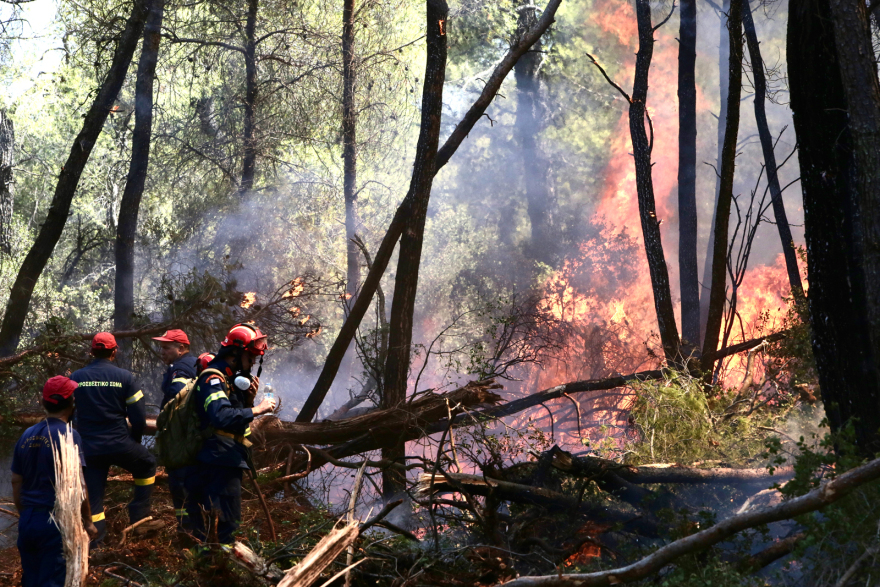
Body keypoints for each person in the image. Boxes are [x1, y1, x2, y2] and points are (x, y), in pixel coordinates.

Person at [186, 323, 276, 544]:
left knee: (225, 519)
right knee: (226, 522)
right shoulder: (213, 378)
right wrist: (258, 409)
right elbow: (221, 416)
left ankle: (214, 557)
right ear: (235, 353)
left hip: (227, 458)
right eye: (250, 357)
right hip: (218, 459)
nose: (252, 362)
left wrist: (248, 402)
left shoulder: (228, 379)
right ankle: (220, 560)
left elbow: (233, 420)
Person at [70, 332, 160, 545]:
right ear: (114, 352)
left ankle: (97, 544)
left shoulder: (76, 378)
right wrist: (134, 441)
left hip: (89, 449)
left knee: (94, 497)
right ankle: (139, 518)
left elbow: (68, 412)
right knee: (147, 463)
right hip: (120, 443)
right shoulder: (125, 377)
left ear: (92, 352)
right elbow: (138, 418)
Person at [11, 376, 98, 587]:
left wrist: (26, 514)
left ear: (44, 402)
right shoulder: (68, 435)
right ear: (71, 404)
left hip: (29, 520)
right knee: (52, 581)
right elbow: (79, 483)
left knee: (31, 580)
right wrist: (88, 521)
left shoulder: (26, 435)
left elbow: (16, 480)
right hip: (55, 521)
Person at [152, 329, 198, 534]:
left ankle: (187, 530)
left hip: (181, 438)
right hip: (189, 437)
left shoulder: (181, 368)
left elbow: (177, 400)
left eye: (166, 348)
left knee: (180, 483)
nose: (162, 352)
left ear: (181, 348)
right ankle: (190, 527)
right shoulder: (191, 364)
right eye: (161, 347)